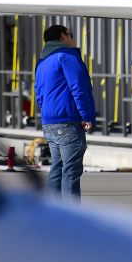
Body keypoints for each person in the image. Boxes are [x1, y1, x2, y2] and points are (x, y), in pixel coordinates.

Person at [34, 24, 95, 201]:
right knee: (71, 171)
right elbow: (80, 88)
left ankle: (53, 215)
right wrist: (86, 116)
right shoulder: (67, 56)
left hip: (49, 122)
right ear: (63, 36)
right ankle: (72, 218)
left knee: (57, 167)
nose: (73, 38)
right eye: (71, 34)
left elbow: (39, 94)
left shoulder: (42, 61)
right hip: (68, 121)